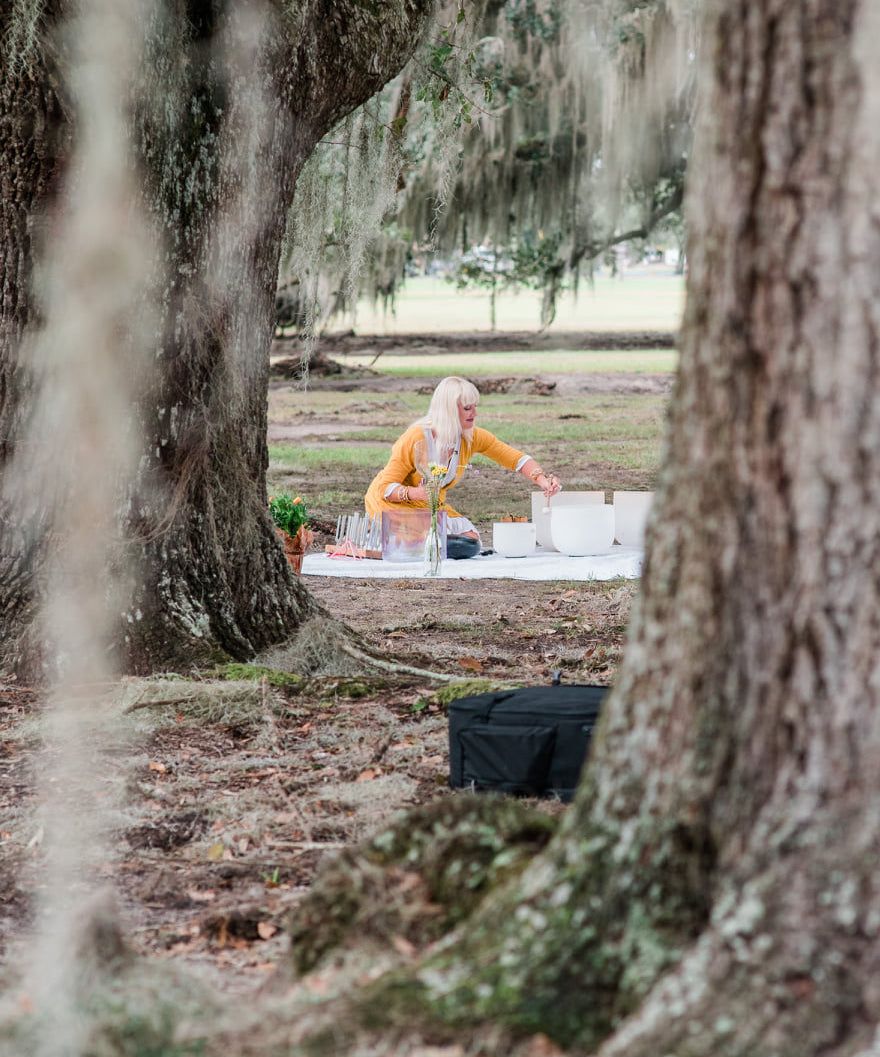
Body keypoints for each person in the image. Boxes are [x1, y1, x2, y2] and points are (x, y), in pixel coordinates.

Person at [364, 376, 562, 558]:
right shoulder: (416, 437)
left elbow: (515, 459)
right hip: (393, 505)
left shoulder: (470, 436)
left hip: (431, 508)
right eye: (468, 408)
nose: (474, 413)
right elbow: (385, 488)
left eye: (475, 407)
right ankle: (406, 541)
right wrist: (417, 493)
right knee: (443, 542)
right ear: (448, 410)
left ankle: (422, 544)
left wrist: (542, 480)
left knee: (470, 541)